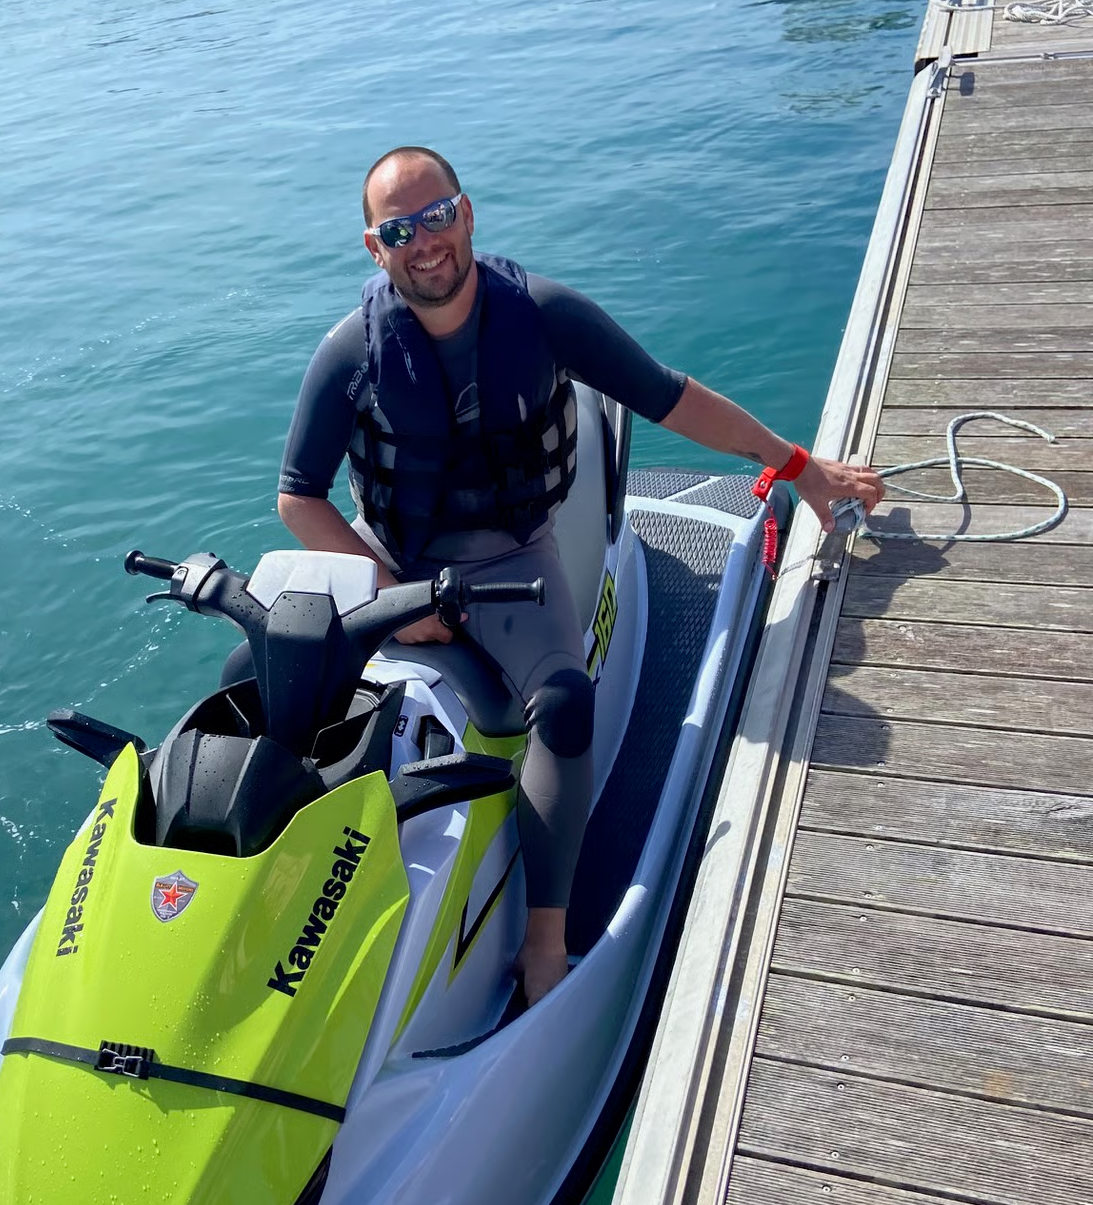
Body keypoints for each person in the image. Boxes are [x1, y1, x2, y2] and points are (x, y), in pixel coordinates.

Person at [277, 146, 884, 1005]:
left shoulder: (544, 316)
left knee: (563, 702)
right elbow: (297, 499)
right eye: (400, 230)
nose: (426, 242)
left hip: (511, 558)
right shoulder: (352, 353)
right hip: (397, 562)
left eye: (439, 215)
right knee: (274, 686)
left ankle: (544, 941)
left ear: (469, 214)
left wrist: (798, 468)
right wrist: (381, 592)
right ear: (374, 249)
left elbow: (670, 395)